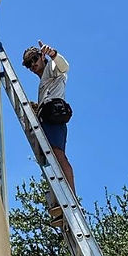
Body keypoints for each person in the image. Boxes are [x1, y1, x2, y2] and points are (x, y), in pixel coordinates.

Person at [22, 40, 73, 223]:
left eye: (34, 59)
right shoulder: (42, 82)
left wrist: (53, 54)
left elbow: (64, 66)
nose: (33, 64)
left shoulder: (52, 69)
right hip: (46, 120)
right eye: (29, 64)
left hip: (54, 118)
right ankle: (59, 202)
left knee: (58, 156)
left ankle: (71, 200)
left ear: (41, 57)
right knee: (50, 161)